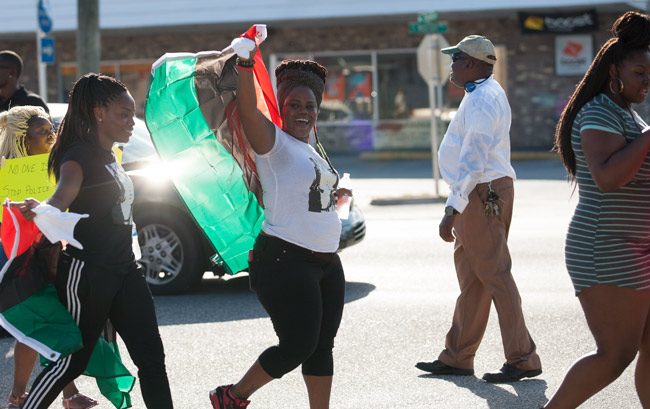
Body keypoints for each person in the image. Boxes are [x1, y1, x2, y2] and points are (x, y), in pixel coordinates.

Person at [14, 73, 174, 409]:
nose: (131, 122)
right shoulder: (77, 155)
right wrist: (43, 210)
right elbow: (62, 196)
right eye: (123, 114)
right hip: (88, 274)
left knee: (151, 358)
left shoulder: (108, 154)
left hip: (126, 271)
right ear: (99, 113)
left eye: (132, 114)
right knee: (74, 360)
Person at [209, 38, 348, 409]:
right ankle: (232, 397)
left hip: (326, 262)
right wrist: (245, 64)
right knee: (297, 345)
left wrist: (336, 195)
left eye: (310, 106)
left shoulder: (312, 149)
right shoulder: (273, 143)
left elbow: (307, 194)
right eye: (294, 105)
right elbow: (250, 112)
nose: (304, 112)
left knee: (321, 346)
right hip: (285, 260)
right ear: (281, 108)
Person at [415, 34, 542, 383]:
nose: (451, 66)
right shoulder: (481, 93)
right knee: (474, 279)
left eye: (455, 59)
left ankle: (523, 357)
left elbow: (473, 161)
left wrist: (451, 209)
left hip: (480, 194)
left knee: (495, 275)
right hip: (479, 192)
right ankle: (458, 356)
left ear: (471, 63)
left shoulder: (484, 99)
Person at [545, 11, 650, 408]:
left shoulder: (627, 113)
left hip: (636, 248)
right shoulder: (598, 112)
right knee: (614, 355)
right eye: (640, 72)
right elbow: (607, 177)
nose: (647, 81)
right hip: (606, 248)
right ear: (614, 72)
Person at [0, 105, 98, 409]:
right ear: (22, 142)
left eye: (50, 130)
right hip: (21, 260)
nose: (50, 136)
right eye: (42, 133)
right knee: (44, 323)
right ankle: (55, 396)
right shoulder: (7, 176)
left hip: (51, 255)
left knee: (42, 326)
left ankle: (27, 396)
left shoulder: (57, 166)